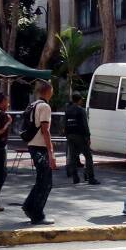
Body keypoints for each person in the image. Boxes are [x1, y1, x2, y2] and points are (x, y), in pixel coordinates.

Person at [22, 80, 57, 225]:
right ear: (49, 91)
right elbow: (45, 130)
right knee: (46, 182)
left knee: (42, 180)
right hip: (40, 147)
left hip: (32, 145)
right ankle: (37, 214)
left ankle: (29, 207)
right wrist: (51, 153)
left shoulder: (34, 104)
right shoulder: (45, 107)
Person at [65, 93, 99, 185]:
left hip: (70, 135)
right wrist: (88, 136)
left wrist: (67, 135)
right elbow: (85, 124)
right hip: (80, 135)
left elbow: (65, 123)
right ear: (79, 100)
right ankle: (91, 178)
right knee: (88, 156)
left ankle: (75, 178)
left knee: (73, 157)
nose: (82, 101)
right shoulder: (81, 110)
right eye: (81, 99)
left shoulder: (68, 110)